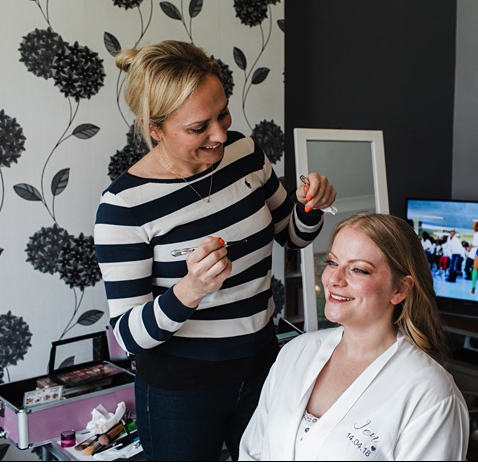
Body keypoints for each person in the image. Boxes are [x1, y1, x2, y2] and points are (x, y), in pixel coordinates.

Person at [94, 40, 337, 461]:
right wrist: (190, 289)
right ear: (155, 128)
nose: (220, 134)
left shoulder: (244, 153)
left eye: (222, 113)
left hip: (263, 364)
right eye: (198, 128)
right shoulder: (124, 208)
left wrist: (310, 207)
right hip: (179, 389)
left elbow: (291, 235)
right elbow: (130, 335)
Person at [239, 213, 468, 460]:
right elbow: (253, 453)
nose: (334, 280)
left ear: (400, 289)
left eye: (358, 269)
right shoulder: (295, 352)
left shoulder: (430, 393)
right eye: (332, 262)